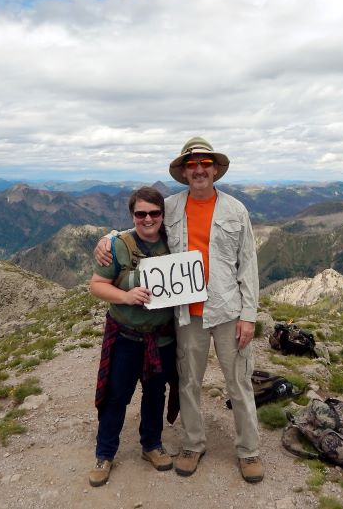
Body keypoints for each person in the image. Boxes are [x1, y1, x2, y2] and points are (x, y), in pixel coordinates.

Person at [95, 136, 263, 483]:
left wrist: (249, 315)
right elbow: (143, 224)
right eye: (192, 165)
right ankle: (192, 444)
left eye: (205, 164)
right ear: (185, 172)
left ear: (215, 169)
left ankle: (249, 451)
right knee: (188, 382)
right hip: (187, 313)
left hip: (229, 310)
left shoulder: (236, 210)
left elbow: (248, 265)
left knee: (239, 382)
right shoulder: (170, 206)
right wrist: (109, 237)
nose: (199, 170)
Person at [88, 186, 176, 487]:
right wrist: (126, 296)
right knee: (117, 396)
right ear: (132, 215)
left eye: (154, 213)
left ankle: (151, 445)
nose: (148, 219)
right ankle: (105, 453)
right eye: (141, 213)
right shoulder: (118, 246)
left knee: (155, 393)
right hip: (126, 336)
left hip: (161, 337)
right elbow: (97, 285)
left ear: (162, 215)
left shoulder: (174, 243)